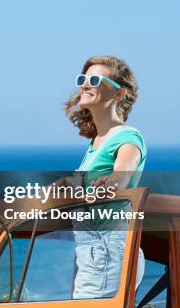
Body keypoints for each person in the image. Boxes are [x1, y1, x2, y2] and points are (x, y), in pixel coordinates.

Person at [64, 55, 146, 299]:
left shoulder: (128, 138)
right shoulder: (96, 143)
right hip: (93, 251)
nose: (85, 85)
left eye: (95, 79)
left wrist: (111, 181)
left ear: (119, 94)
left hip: (107, 250)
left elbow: (122, 174)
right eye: (83, 79)